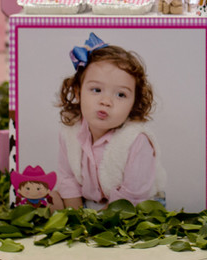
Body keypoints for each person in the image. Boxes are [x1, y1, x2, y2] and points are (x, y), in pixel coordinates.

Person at [53, 33, 166, 209]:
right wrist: (75, 217)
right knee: (49, 198)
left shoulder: (136, 140)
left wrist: (97, 226)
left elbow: (131, 196)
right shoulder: (71, 131)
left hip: (132, 207)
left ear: (133, 103)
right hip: (90, 203)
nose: (106, 101)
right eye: (96, 90)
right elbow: (68, 178)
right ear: (77, 92)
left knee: (135, 216)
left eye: (121, 94)